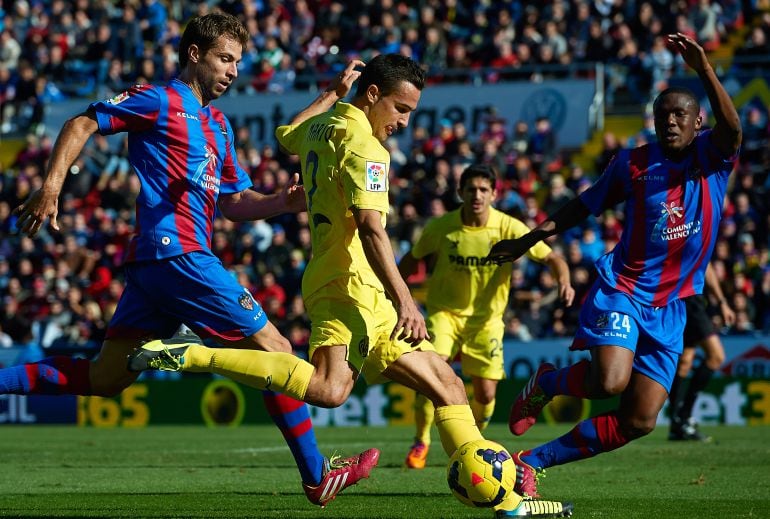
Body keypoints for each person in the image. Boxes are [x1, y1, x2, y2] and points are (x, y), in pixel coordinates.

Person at [129, 54, 573, 518]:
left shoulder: (323, 127)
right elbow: (371, 228)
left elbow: (286, 136)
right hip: (354, 284)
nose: (403, 122)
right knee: (332, 388)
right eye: (401, 109)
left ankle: (508, 502)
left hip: (339, 278)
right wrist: (407, 301)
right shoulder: (367, 148)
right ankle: (195, 353)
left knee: (443, 385)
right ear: (375, 95)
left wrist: (330, 95)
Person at [2, 13, 377, 507]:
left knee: (105, 378)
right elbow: (82, 122)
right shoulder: (159, 100)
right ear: (195, 55)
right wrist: (52, 186)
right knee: (277, 349)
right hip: (176, 253)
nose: (234, 70)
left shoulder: (218, 126)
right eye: (225, 58)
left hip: (157, 267)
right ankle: (316, 475)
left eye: (239, 61)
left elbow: (233, 203)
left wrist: (284, 202)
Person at [487, 33, 741, 499]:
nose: (669, 122)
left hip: (671, 307)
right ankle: (552, 382)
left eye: (679, 115)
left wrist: (705, 68)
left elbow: (734, 130)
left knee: (640, 420)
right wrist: (528, 240)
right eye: (662, 115)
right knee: (610, 381)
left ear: (697, 121)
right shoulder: (633, 164)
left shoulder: (713, 158)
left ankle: (532, 459)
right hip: (623, 288)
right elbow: (582, 206)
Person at [399, 163, 575, 469]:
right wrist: (396, 295)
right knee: (431, 375)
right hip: (445, 314)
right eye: (471, 189)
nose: (477, 195)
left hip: (487, 321)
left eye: (483, 189)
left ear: (494, 193)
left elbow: (553, 257)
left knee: (486, 391)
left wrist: (564, 279)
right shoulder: (441, 227)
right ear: (460, 192)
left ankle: (472, 440)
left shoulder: (509, 228)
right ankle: (421, 440)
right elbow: (410, 262)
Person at [669, 262, 736, 441]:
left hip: (687, 299)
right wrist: (722, 302)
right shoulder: (698, 234)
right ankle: (684, 417)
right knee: (716, 356)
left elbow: (707, 265)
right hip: (690, 300)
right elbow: (707, 266)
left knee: (684, 362)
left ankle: (677, 423)